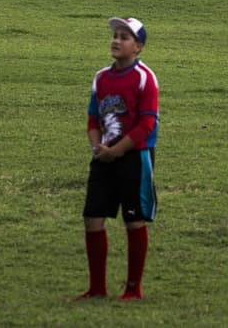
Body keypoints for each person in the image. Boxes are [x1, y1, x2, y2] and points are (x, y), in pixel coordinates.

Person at [74, 17, 159, 302]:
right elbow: (91, 119)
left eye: (124, 37)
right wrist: (97, 147)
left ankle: (133, 289)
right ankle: (96, 288)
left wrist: (116, 151)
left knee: (133, 221)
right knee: (92, 218)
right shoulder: (101, 77)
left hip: (134, 157)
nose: (116, 40)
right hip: (104, 156)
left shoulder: (145, 77)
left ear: (138, 46)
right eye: (115, 35)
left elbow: (146, 125)